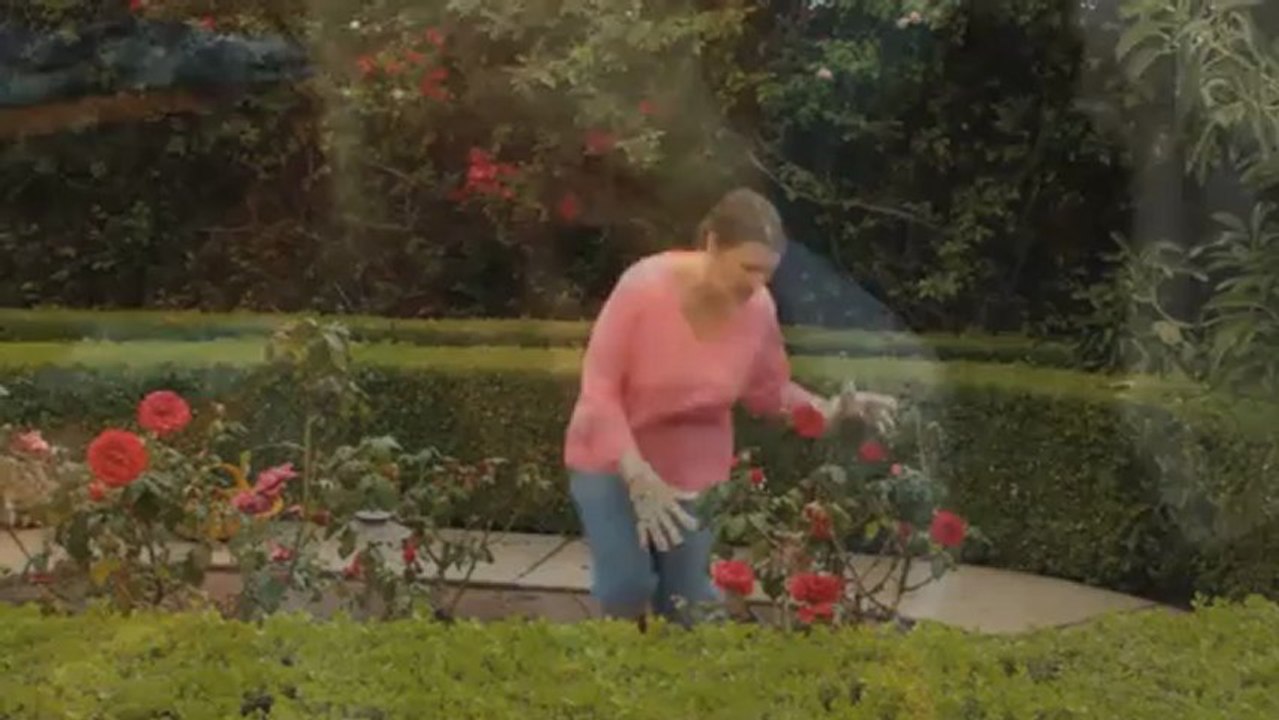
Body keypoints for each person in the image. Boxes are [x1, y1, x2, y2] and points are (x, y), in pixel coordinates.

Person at [563, 187, 898, 627]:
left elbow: (770, 392)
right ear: (712, 245)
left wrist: (834, 409)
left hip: (695, 476)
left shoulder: (758, 309)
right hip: (612, 460)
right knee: (626, 589)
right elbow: (599, 389)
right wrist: (637, 473)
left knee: (692, 608)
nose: (756, 283)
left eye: (767, 272)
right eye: (747, 267)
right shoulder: (643, 288)